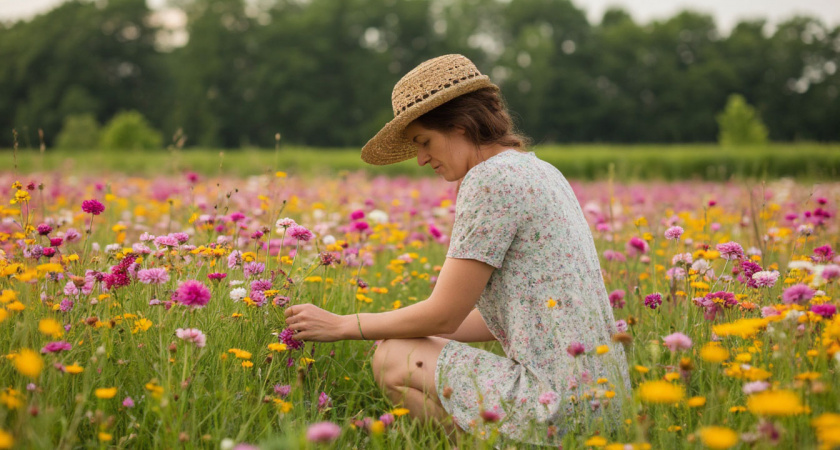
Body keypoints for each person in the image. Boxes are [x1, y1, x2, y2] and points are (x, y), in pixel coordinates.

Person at [283, 54, 631, 446]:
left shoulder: (488, 179)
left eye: (424, 142)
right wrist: (414, 334)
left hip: (556, 410)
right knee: (406, 343)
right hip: (603, 404)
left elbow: (444, 315)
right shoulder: (540, 171)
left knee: (392, 357)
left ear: (459, 125)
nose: (420, 159)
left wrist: (345, 325)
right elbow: (504, 318)